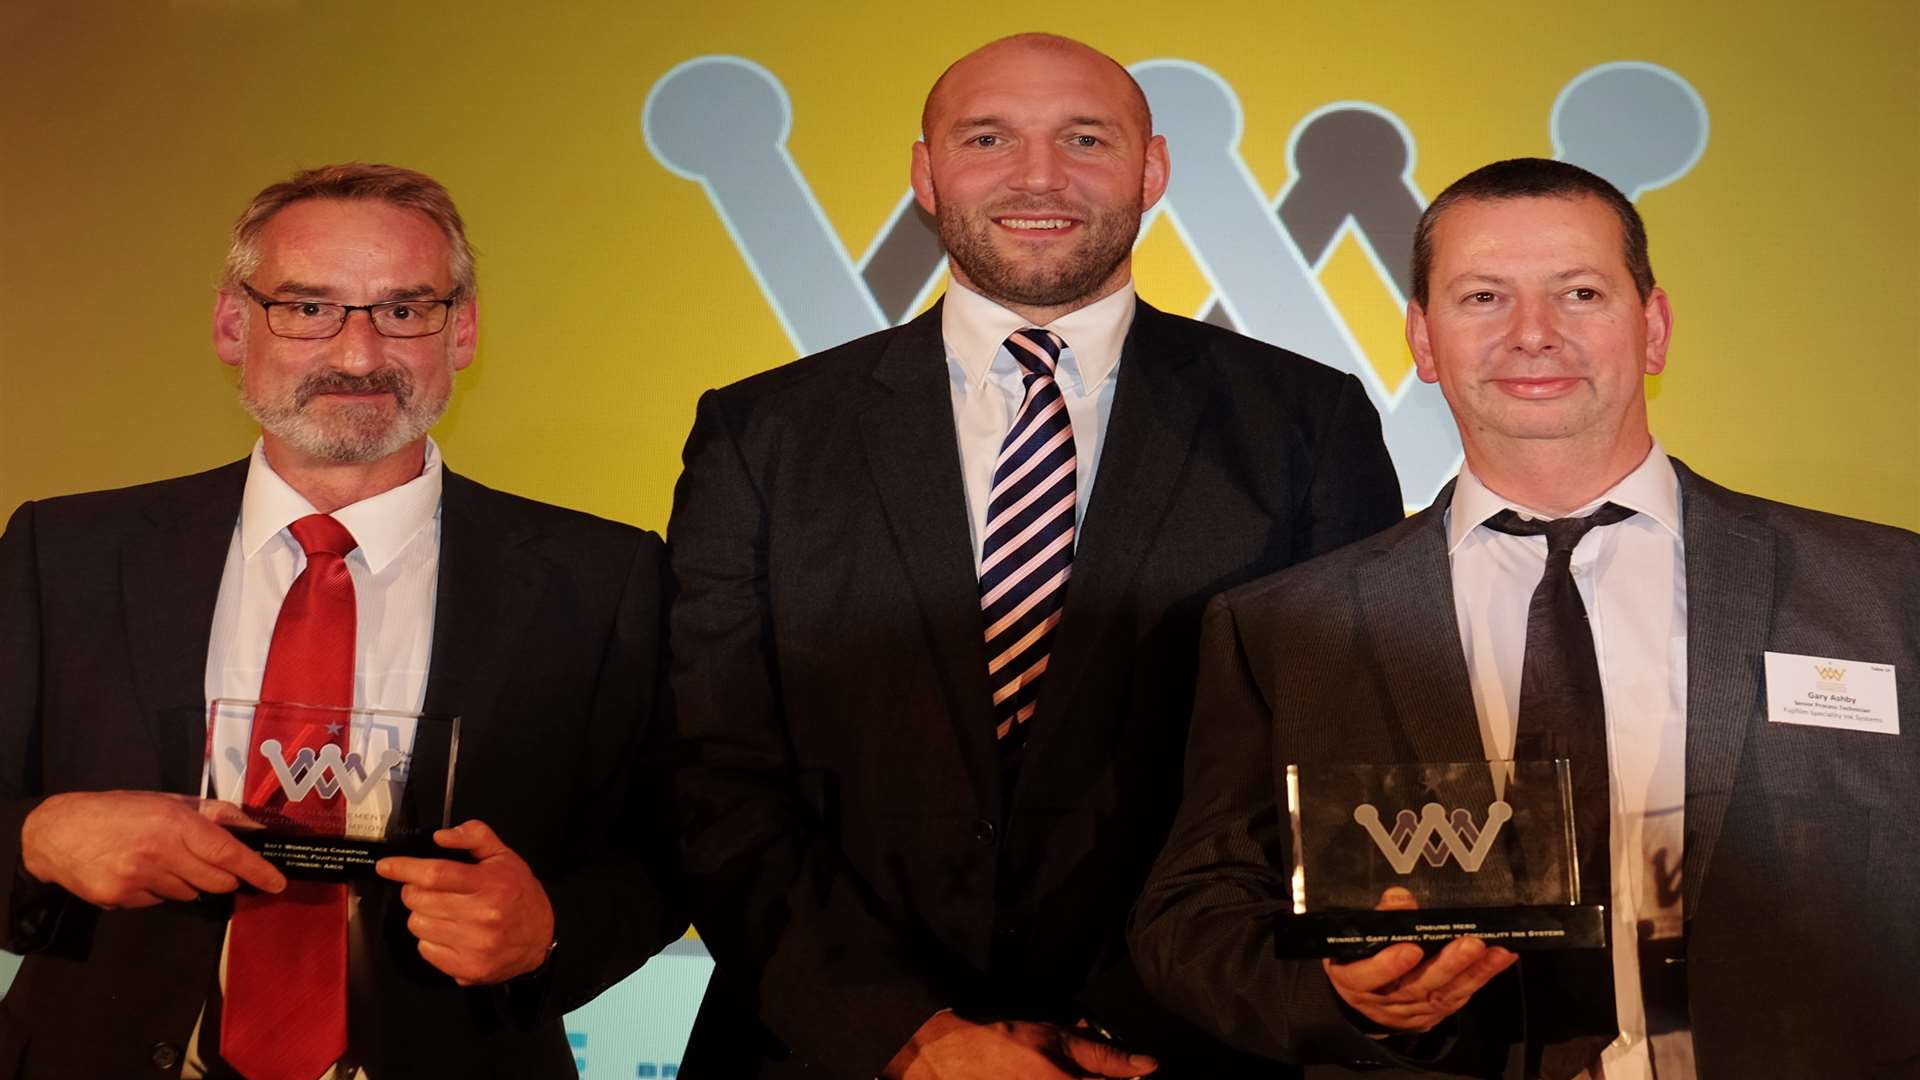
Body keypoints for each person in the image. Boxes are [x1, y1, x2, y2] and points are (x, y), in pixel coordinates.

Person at [666, 31, 1404, 1080]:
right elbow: (712, 773)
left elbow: (1321, 767)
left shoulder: (1307, 424)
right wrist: (908, 1036)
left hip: (1180, 1047)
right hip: (826, 1049)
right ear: (926, 173)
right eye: (989, 138)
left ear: (1152, 170)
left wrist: (1119, 1025)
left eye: (1086, 138)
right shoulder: (762, 434)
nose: (1039, 177)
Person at [1129, 157, 1920, 1078]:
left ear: (1653, 327)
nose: (1533, 334)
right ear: (1423, 341)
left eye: (1579, 293)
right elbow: (1193, 921)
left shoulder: (1884, 589)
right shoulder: (1285, 630)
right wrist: (1342, 999)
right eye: (1482, 298)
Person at [0, 163, 684, 1078]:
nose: (359, 356)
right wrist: (36, 836)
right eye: (309, 307)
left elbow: (680, 846)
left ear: (464, 330)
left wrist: (552, 930)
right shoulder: (66, 550)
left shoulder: (604, 578)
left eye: (404, 311)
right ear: (232, 325)